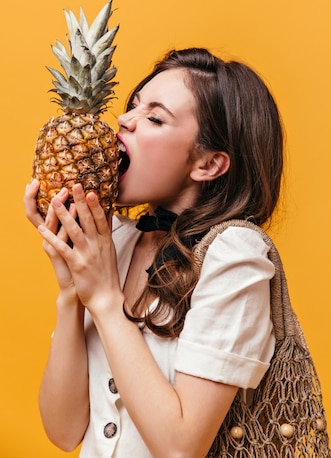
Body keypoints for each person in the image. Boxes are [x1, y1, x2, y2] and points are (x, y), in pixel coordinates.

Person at [24, 47, 284, 458]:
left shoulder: (233, 256)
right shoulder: (115, 243)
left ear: (208, 164)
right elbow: (63, 430)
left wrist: (106, 301)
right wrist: (71, 292)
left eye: (154, 117)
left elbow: (180, 448)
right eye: (132, 106)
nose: (124, 120)